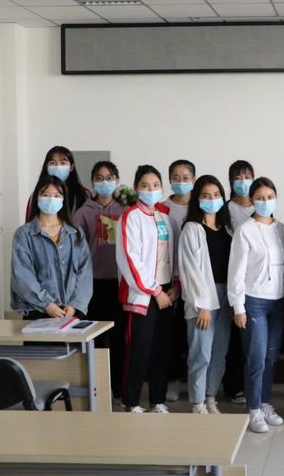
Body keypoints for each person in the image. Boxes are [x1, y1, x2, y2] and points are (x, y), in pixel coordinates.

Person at [115, 165, 179, 413]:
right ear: (136, 188)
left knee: (161, 349)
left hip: (166, 291)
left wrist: (174, 286)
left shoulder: (166, 217)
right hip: (144, 293)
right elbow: (130, 260)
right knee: (139, 349)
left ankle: (157, 399)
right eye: (145, 185)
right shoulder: (130, 217)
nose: (151, 190)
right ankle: (130, 401)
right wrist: (155, 291)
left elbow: (173, 256)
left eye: (155, 185)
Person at [228, 177, 284, 433]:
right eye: (260, 198)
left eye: (269, 197)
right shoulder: (245, 230)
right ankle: (253, 409)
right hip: (254, 302)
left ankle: (264, 403)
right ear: (252, 200)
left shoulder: (282, 229)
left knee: (271, 356)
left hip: (278, 301)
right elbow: (236, 272)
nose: (265, 202)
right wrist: (238, 307)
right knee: (256, 356)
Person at [179, 175, 233, 415]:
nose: (212, 199)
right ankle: (198, 402)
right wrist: (202, 305)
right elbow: (190, 270)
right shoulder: (192, 229)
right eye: (206, 195)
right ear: (197, 199)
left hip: (224, 297)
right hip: (202, 298)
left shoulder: (227, 229)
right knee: (201, 352)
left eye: (216, 195)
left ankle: (211, 397)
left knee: (219, 352)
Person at [73, 160, 127, 398]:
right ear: (93, 182)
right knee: (92, 338)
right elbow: (77, 251)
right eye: (100, 178)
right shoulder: (83, 212)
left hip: (119, 284)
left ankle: (117, 388)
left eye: (110, 178)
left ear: (117, 181)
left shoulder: (125, 210)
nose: (105, 182)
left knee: (118, 339)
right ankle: (93, 387)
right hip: (92, 284)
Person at [11, 175, 92, 320]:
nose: (51, 199)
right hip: (37, 310)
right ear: (37, 197)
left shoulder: (75, 233)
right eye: (45, 195)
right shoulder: (24, 234)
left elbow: (85, 272)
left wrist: (75, 305)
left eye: (56, 195)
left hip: (70, 311)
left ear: (63, 199)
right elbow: (22, 276)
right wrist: (47, 304)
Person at [163, 159, 197, 402]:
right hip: (168, 280)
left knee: (194, 335)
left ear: (193, 180)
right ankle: (173, 380)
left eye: (186, 178)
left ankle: (197, 383)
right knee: (172, 336)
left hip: (194, 280)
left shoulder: (200, 206)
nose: (181, 182)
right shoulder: (162, 208)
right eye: (176, 178)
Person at [224, 159, 255, 404]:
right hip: (232, 279)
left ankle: (250, 385)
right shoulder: (225, 210)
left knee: (252, 337)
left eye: (247, 177)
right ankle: (233, 386)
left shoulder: (261, 206)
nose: (243, 182)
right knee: (234, 336)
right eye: (238, 177)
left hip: (256, 283)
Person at [25, 146, 90, 220]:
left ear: (71, 167)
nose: (58, 167)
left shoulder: (84, 194)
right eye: (53, 163)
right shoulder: (37, 195)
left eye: (63, 163)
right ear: (47, 167)